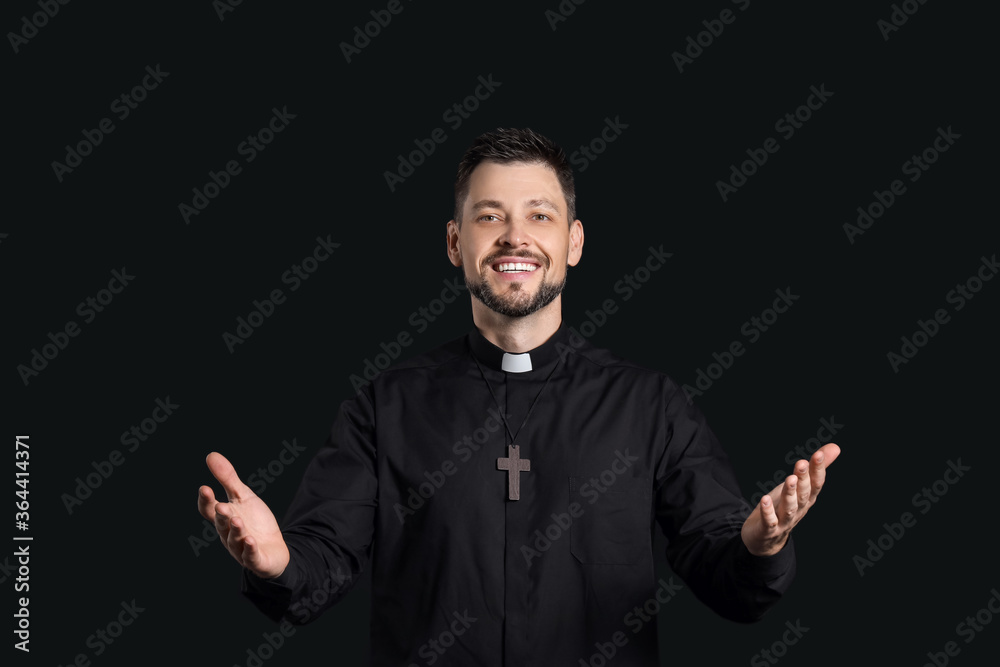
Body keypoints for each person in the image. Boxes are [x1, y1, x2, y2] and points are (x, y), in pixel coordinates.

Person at [197, 127, 840, 666]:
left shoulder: (649, 406)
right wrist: (278, 562)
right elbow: (321, 565)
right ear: (456, 242)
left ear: (574, 241)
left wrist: (761, 547)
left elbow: (725, 576)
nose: (514, 237)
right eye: (489, 216)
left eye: (540, 214)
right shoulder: (384, 406)